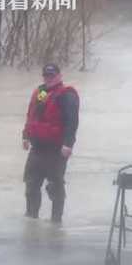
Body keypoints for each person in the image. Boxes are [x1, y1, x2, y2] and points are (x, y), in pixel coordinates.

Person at [22, 64, 79, 223]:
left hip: (56, 149)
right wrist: (25, 136)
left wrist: (68, 144)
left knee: (55, 185)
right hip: (37, 147)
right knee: (31, 184)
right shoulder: (41, 93)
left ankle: (56, 220)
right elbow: (32, 116)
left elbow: (72, 122)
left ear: (59, 76)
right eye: (46, 75)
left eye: (52, 75)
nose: (49, 78)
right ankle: (31, 217)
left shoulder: (67, 95)